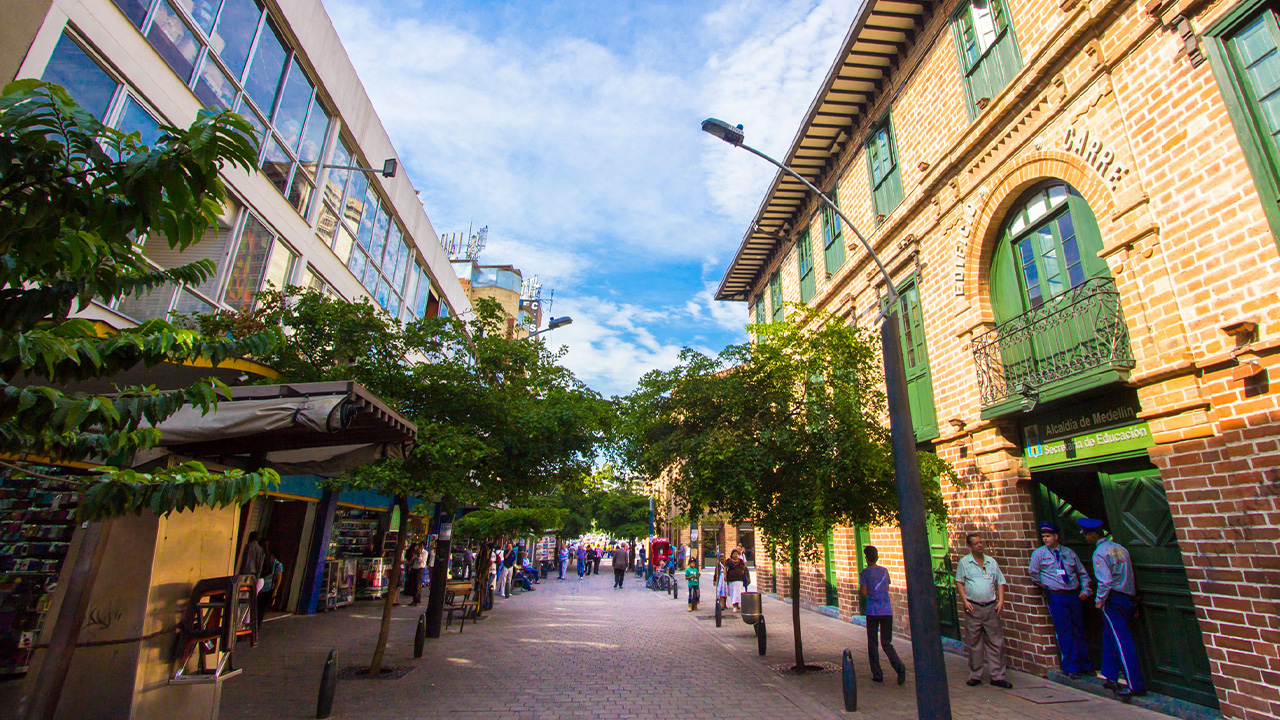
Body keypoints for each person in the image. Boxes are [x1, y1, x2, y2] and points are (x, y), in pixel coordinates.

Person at [1079, 517, 1145, 697]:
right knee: (1109, 634)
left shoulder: (1099, 553)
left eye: (1086, 535)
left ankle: (1134, 684)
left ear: (1092, 535)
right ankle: (1110, 675)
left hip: (1112, 600)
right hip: (1126, 596)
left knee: (1122, 640)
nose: (1085, 538)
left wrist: (1099, 601)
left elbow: (1105, 581)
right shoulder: (1121, 549)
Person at [1028, 521, 1093, 678]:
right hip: (1057, 595)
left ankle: (1085, 664)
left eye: (1048, 536)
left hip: (1073, 594)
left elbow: (1082, 573)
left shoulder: (1069, 553)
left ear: (1056, 536)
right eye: (1043, 536)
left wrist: (1086, 590)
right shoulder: (1039, 555)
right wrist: (1047, 585)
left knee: (1079, 628)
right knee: (1064, 630)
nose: (1045, 539)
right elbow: (1034, 573)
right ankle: (1071, 667)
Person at [955, 532, 1011, 688]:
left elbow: (1000, 581)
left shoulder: (991, 562)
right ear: (969, 546)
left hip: (991, 606)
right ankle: (975, 674)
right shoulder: (964, 563)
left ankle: (998, 675)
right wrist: (965, 600)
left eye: (981, 543)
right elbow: (959, 581)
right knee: (974, 642)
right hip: (974, 607)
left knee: (996, 641)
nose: (980, 545)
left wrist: (1001, 601)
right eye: (976, 544)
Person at [858, 545, 907, 684]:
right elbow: (886, 586)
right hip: (886, 610)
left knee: (872, 643)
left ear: (867, 558)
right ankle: (899, 666)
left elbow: (863, 592)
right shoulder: (885, 571)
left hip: (872, 611)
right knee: (886, 643)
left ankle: (877, 674)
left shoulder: (865, 573)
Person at [256, 540, 283, 628]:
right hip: (260, 588)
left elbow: (278, 579)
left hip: (267, 589)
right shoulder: (264, 561)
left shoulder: (277, 565)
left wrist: (275, 591)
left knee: (260, 611)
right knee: (256, 609)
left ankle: (256, 628)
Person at [404, 542, 428, 606]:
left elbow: (421, 561)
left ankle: (417, 600)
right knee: (414, 585)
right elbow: (412, 560)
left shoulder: (424, 553)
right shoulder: (415, 552)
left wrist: (419, 555)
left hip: (419, 569)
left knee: (418, 585)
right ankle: (414, 599)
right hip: (414, 568)